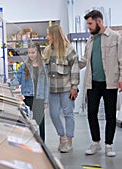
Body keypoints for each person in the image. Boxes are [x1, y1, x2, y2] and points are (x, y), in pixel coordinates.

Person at [79, 10, 122, 157]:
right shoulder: (90, 41)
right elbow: (84, 61)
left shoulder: (115, 37)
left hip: (110, 82)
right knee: (91, 114)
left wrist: (121, 79)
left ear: (99, 22)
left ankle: (108, 145)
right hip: (93, 83)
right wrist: (68, 63)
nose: (88, 27)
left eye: (90, 24)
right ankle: (96, 142)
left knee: (110, 115)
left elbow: (121, 60)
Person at [43, 25, 80, 153]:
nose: (47, 37)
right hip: (53, 89)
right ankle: (62, 136)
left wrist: (74, 86)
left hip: (66, 88)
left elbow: (75, 68)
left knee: (68, 114)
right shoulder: (47, 50)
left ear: (55, 35)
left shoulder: (69, 49)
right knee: (53, 114)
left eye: (49, 35)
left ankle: (69, 140)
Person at [13, 42, 49, 142]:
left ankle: (42, 143)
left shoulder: (43, 67)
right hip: (28, 97)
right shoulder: (24, 66)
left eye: (33, 52)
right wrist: (8, 84)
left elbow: (46, 85)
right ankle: (27, 141)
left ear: (38, 52)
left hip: (39, 97)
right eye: (29, 52)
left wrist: (46, 100)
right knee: (26, 121)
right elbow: (17, 79)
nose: (31, 55)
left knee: (40, 122)